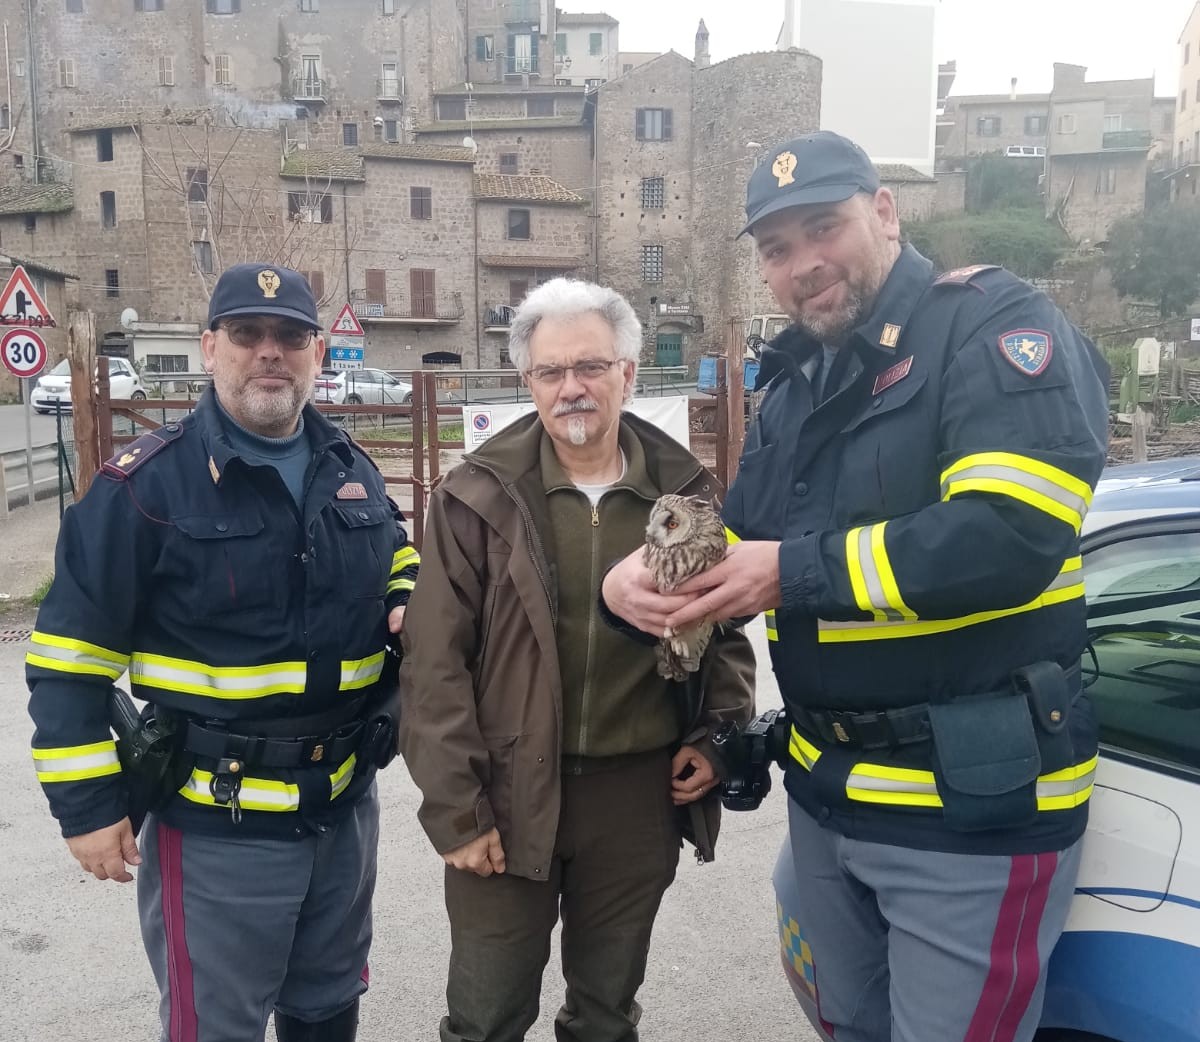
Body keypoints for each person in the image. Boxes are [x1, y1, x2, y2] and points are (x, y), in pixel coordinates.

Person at [601, 131, 1111, 1042]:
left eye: (823, 228)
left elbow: (1010, 533)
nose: (803, 265)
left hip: (968, 809)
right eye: (776, 249)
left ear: (884, 213)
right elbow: (745, 539)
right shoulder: (798, 376)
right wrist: (637, 581)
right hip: (829, 799)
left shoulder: (989, 325)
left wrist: (788, 572)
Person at [26, 263, 419, 1042]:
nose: (269, 352)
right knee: (216, 1028)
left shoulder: (350, 467)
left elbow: (397, 554)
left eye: (290, 337)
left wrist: (410, 590)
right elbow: (69, 659)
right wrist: (89, 808)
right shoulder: (142, 490)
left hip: (343, 814)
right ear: (210, 348)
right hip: (216, 828)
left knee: (328, 1012)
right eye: (247, 334)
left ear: (316, 354)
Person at [397, 277, 755, 1042]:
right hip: (506, 792)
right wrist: (457, 812)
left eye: (590, 367)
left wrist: (716, 737)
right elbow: (433, 666)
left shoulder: (689, 495)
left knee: (606, 1013)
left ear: (628, 372)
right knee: (486, 1015)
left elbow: (723, 632)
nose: (572, 389)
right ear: (527, 382)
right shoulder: (475, 497)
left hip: (636, 796)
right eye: (551, 372)